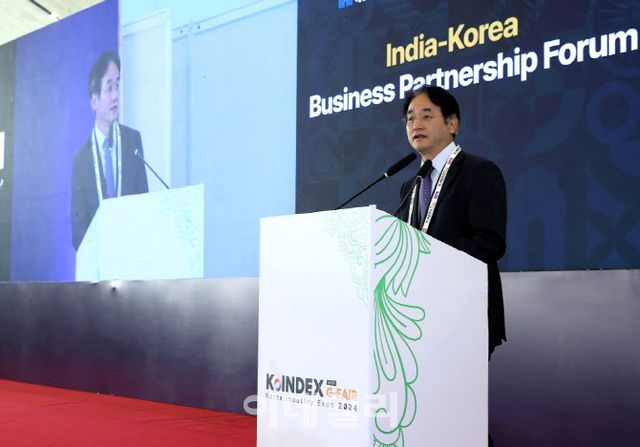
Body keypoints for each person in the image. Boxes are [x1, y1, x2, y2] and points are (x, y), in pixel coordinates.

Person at [397, 85, 507, 358]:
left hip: (465, 313)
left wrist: (429, 254)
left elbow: (490, 243)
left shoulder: (478, 171)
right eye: (410, 118)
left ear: (452, 124)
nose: (416, 124)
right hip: (417, 316)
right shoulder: (410, 186)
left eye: (426, 115)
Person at [71, 51, 148, 250]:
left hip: (131, 254)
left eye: (118, 86)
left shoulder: (132, 142)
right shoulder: (81, 160)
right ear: (94, 101)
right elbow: (78, 230)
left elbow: (144, 206)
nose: (115, 96)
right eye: (109, 88)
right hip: (99, 262)